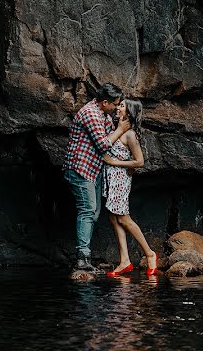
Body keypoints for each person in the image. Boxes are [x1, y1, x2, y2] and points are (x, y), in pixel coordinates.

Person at [63, 83, 130, 271]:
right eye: (115, 104)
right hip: (80, 169)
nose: (117, 107)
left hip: (94, 170)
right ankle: (82, 258)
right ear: (105, 102)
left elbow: (110, 139)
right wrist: (121, 129)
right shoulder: (91, 113)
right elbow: (103, 144)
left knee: (93, 212)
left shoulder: (103, 113)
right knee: (88, 210)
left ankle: (85, 257)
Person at [101, 99, 159, 277]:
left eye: (122, 106)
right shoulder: (113, 128)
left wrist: (114, 162)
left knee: (124, 219)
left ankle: (150, 254)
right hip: (109, 179)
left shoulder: (130, 135)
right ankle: (125, 260)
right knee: (113, 217)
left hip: (120, 179)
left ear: (129, 113)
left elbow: (140, 161)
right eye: (118, 105)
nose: (117, 107)